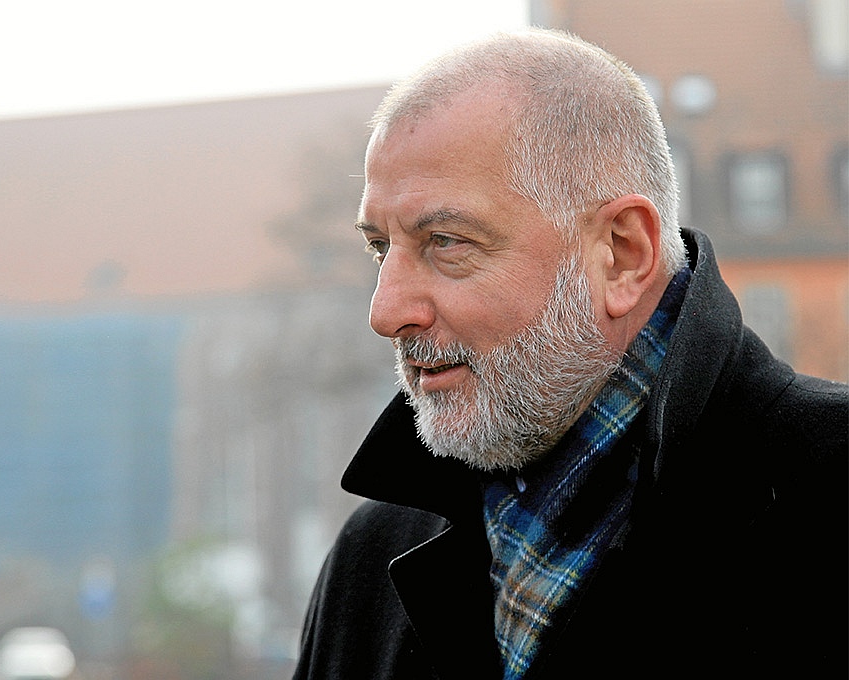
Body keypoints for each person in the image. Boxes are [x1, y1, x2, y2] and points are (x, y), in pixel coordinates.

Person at [291, 28, 848, 680]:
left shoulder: (828, 500)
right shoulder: (372, 559)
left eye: (446, 241)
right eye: (381, 248)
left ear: (622, 255)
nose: (385, 312)